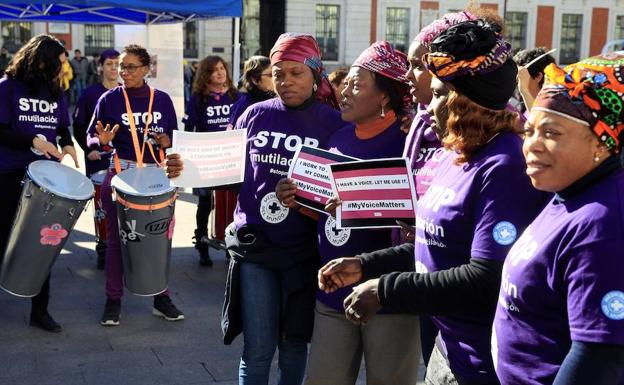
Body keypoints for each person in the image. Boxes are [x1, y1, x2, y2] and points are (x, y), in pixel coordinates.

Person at [318, 20, 549, 385]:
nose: (429, 106)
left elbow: (487, 277)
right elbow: (435, 245)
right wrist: (364, 265)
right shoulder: (459, 153)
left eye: (441, 94)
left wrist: (386, 289)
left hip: (483, 364)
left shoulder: (505, 164)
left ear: (469, 101)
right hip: (447, 349)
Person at [167, 32, 343, 385]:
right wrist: (185, 168)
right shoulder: (254, 115)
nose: (286, 81)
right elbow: (230, 175)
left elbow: (340, 196)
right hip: (255, 249)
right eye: (279, 73)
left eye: (296, 73)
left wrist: (308, 197)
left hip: (305, 254)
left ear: (315, 75)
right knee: (257, 350)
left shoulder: (334, 124)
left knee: (293, 345)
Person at [277, 41, 419, 385]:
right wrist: (298, 199)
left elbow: (413, 216)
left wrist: (362, 201)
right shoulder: (338, 137)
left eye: (357, 84)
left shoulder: (408, 142)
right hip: (332, 285)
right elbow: (328, 212)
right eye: (345, 83)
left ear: (384, 96)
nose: (344, 91)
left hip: (387, 291)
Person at [493, 54, 624, 385]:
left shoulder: (603, 224)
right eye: (529, 130)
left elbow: (598, 357)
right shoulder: (567, 193)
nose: (532, 145)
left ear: (600, 143)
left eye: (550, 132)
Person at [86, 44, 183, 327]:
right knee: (116, 243)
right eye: (120, 66)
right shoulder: (109, 99)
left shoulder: (162, 100)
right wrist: (101, 142)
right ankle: (113, 300)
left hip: (156, 180)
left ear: (146, 69)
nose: (123, 72)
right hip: (121, 176)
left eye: (129, 67)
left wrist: (168, 142)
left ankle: (160, 297)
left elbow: (175, 138)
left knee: (158, 243)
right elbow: (93, 137)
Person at [0, 34, 79, 333]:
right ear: (41, 60)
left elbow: (61, 124)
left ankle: (40, 310)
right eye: (59, 63)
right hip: (9, 173)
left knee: (45, 242)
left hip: (47, 177)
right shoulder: (8, 87)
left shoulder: (53, 90)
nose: (63, 69)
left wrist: (68, 144)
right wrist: (33, 140)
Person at [183, 55, 239, 267]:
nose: (220, 72)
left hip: (230, 159)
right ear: (206, 74)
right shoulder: (198, 98)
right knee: (205, 202)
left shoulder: (235, 96)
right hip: (206, 159)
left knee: (231, 203)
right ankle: (202, 243)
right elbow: (189, 129)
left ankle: (231, 244)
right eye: (215, 69)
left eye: (223, 68)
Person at [72, 48, 120, 270]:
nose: (114, 68)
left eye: (117, 64)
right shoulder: (90, 93)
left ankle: (122, 247)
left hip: (121, 161)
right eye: (110, 64)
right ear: (101, 66)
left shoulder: (125, 93)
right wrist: (87, 148)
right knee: (102, 206)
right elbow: (79, 125)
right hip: (97, 160)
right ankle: (102, 247)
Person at [228, 55, 274, 128]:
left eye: (276, 74)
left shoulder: (276, 99)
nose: (275, 78)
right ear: (255, 79)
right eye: (270, 75)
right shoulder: (243, 105)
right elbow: (232, 135)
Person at [513, 47, 556, 113]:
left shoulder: (553, 106)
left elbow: (537, 120)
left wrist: (524, 90)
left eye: (520, 75)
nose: (516, 80)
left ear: (538, 77)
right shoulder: (526, 103)